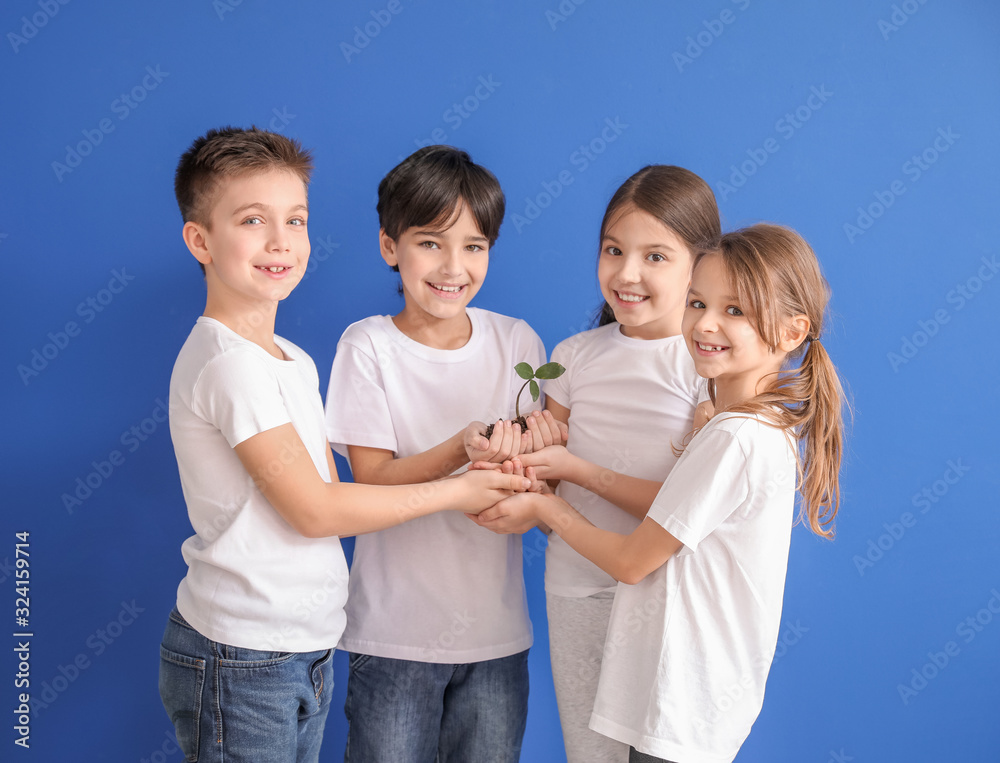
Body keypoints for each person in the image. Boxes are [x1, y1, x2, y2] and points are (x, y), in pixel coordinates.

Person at [157, 128, 529, 763]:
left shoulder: (290, 360)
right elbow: (318, 511)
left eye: (296, 221)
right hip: (242, 651)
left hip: (298, 649)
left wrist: (459, 452)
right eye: (253, 221)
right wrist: (459, 490)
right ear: (200, 240)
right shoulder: (230, 366)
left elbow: (344, 495)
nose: (280, 242)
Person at [476, 223, 846, 763]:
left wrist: (543, 503)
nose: (705, 323)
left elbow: (631, 562)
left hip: (684, 702)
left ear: (792, 332)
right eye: (697, 302)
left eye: (736, 311)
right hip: (693, 700)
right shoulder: (752, 428)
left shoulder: (735, 437)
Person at [323, 144, 565, 763]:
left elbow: (542, 485)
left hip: (497, 637)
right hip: (394, 637)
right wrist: (461, 448)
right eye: (431, 242)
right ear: (389, 247)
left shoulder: (517, 341)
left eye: (475, 246)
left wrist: (529, 465)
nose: (453, 266)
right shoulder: (368, 346)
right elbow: (372, 480)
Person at [512, 165, 720, 762]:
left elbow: (691, 510)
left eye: (656, 256)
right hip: (577, 589)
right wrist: (528, 464)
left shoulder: (705, 364)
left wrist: (569, 471)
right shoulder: (573, 357)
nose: (627, 274)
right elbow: (549, 503)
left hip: (668, 597)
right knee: (593, 755)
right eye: (613, 250)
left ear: (699, 263)